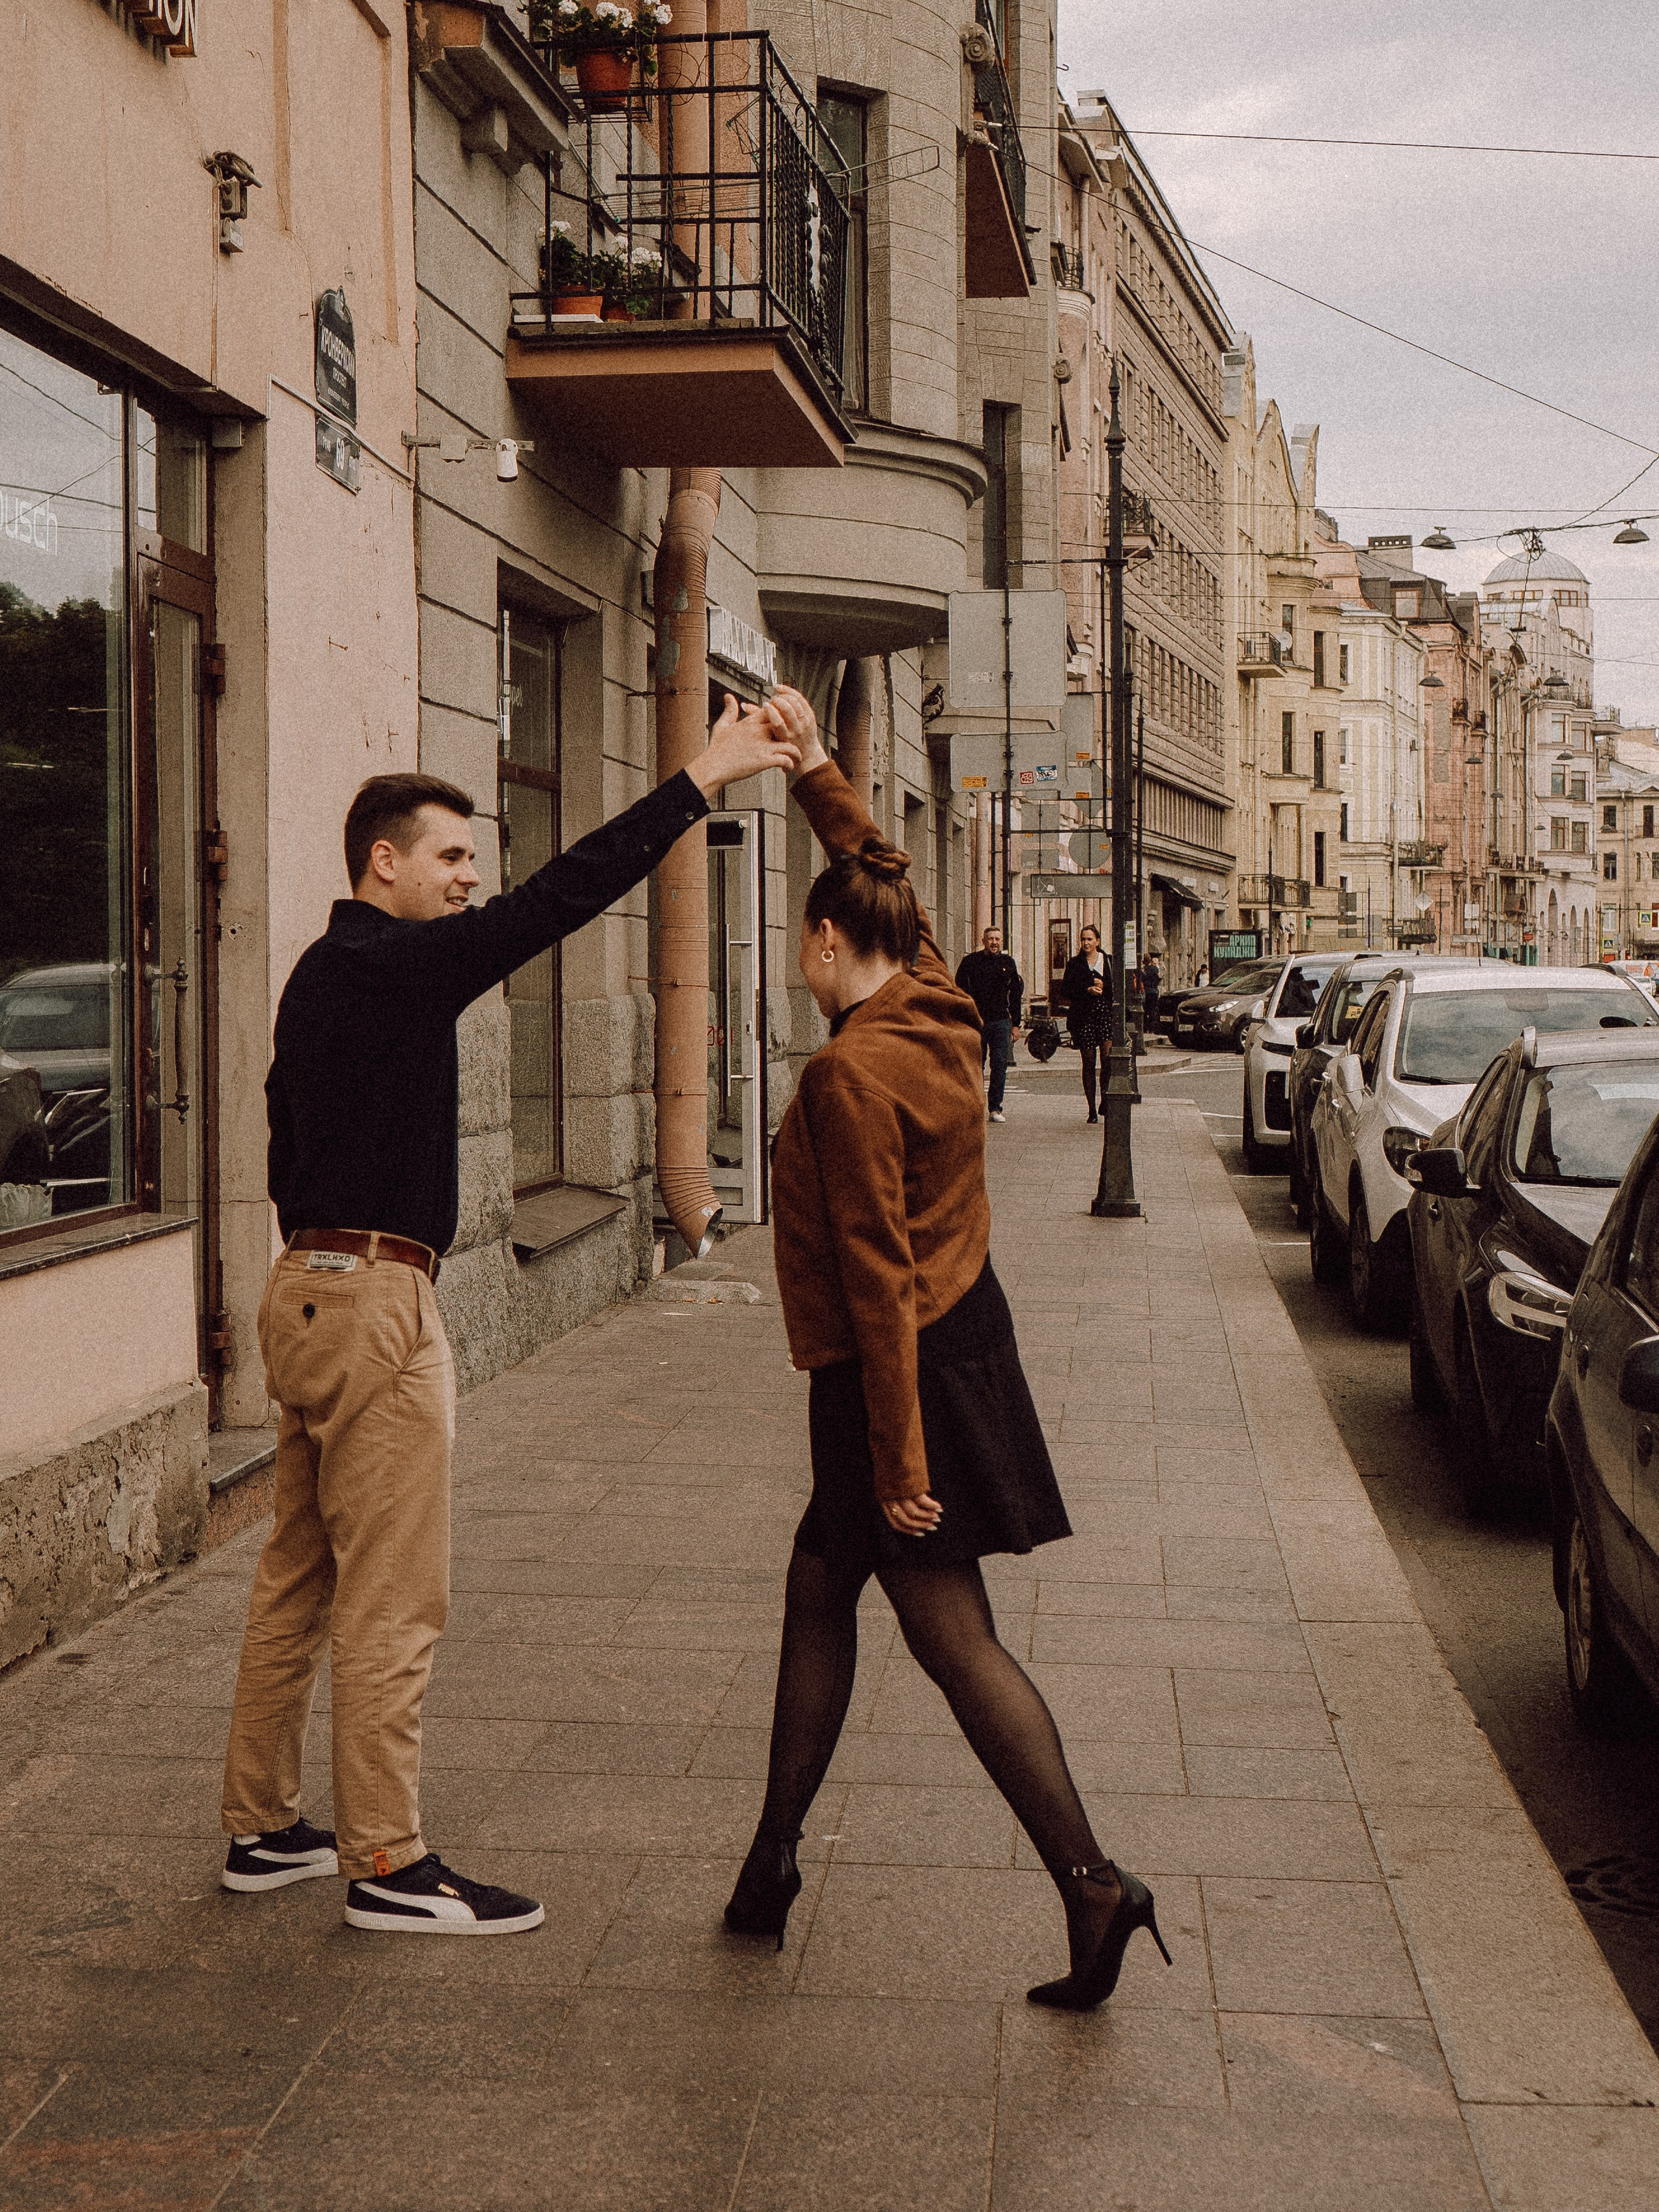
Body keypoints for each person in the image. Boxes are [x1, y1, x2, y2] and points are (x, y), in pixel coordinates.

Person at [218, 700, 796, 1935]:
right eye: (451, 856)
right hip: (372, 1298)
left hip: (305, 1288)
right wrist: (704, 774)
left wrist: (322, 1269)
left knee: (298, 1576)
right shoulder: (402, 962)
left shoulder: (322, 972)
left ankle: (262, 1829)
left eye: (472, 859)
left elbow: (283, 1131)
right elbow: (564, 898)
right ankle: (388, 1863)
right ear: (383, 863)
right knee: (393, 1596)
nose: (470, 878)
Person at [722, 688, 1170, 2011]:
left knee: (949, 1632)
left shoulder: (847, 1073)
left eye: (803, 951)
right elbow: (883, 875)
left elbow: (876, 1277)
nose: (799, 973)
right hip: (958, 1337)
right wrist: (816, 771)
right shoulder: (934, 1005)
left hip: (896, 1372)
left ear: (822, 940)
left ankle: (1093, 1883)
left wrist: (901, 1463)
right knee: (818, 1586)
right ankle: (769, 1862)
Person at [955, 925, 1023, 1122]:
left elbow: (1015, 995)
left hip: (1001, 1021)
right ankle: (975, 1106)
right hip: (976, 1022)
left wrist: (1016, 1024)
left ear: (1001, 942)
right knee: (976, 1065)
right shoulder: (970, 962)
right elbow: (959, 991)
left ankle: (995, 1109)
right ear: (983, 941)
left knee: (999, 1064)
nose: (994, 943)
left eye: (997, 939)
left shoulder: (1008, 963)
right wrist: (963, 1018)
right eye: (991, 939)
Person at [1059, 923, 1114, 1125]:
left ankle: (1105, 1099)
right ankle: (1091, 1108)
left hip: (1105, 1015)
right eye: (1083, 939)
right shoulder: (1074, 964)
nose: (1086, 943)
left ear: (1097, 941)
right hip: (1084, 1017)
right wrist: (1087, 990)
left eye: (1090, 939)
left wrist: (1105, 987)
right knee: (1089, 1062)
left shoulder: (1108, 961)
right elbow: (1066, 990)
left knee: (1108, 1058)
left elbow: (1119, 989)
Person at [1141, 951, 1161, 1035]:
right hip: (1154, 992)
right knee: (1152, 1011)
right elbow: (1158, 979)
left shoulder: (1143, 970)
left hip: (1146, 992)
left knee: (1145, 1011)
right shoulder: (1155, 969)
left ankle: (1145, 1028)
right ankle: (1152, 1029)